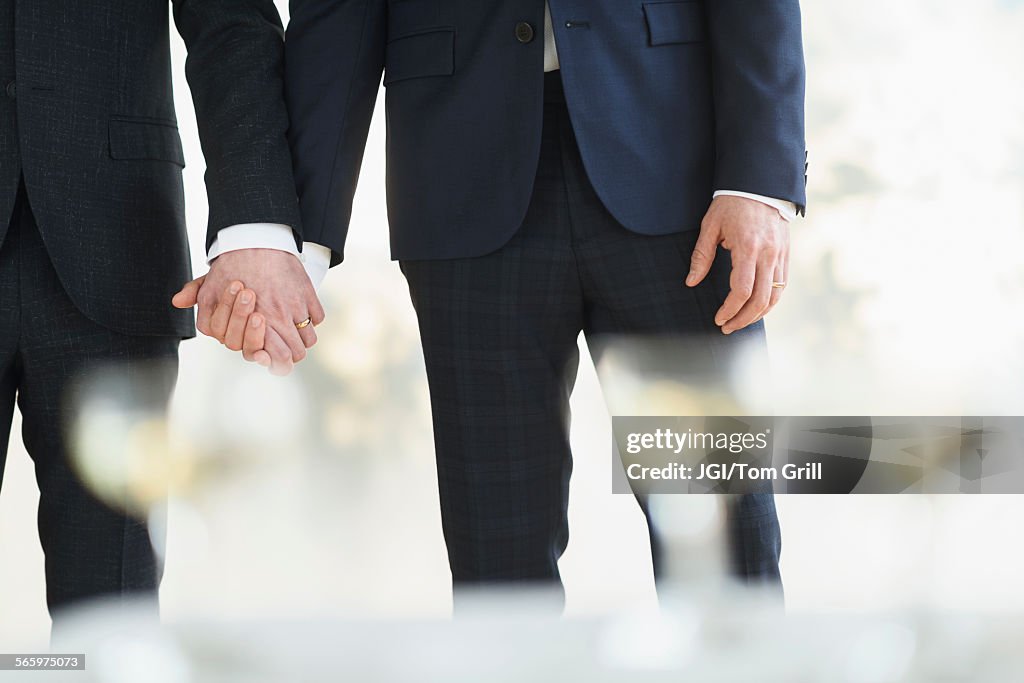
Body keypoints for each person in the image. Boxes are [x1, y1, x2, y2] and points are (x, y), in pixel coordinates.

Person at [189, 0, 807, 601]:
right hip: (461, 187)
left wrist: (758, 179)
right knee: (499, 565)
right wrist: (295, 247)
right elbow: (338, 18)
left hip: (679, 179)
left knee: (726, 539)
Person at [0, 0, 321, 617]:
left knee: (111, 621)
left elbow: (230, 22)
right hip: (117, 241)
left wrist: (252, 227)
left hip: (114, 240)